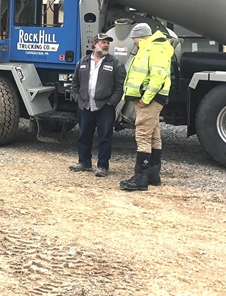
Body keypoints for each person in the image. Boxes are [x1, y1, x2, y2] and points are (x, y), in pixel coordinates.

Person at [119, 23, 175, 191]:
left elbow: (158, 76)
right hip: (151, 99)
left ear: (141, 36)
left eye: (134, 38)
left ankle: (140, 178)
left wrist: (146, 98)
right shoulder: (153, 47)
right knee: (154, 135)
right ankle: (152, 175)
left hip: (149, 100)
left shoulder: (155, 48)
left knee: (143, 135)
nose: (133, 42)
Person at [68, 33, 126, 177]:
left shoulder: (115, 63)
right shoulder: (83, 61)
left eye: (107, 43)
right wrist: (77, 98)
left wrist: (111, 102)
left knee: (105, 137)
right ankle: (84, 162)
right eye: (103, 42)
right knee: (84, 135)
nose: (106, 45)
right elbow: (75, 83)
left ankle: (102, 166)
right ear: (94, 44)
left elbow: (120, 86)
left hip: (104, 107)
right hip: (85, 106)